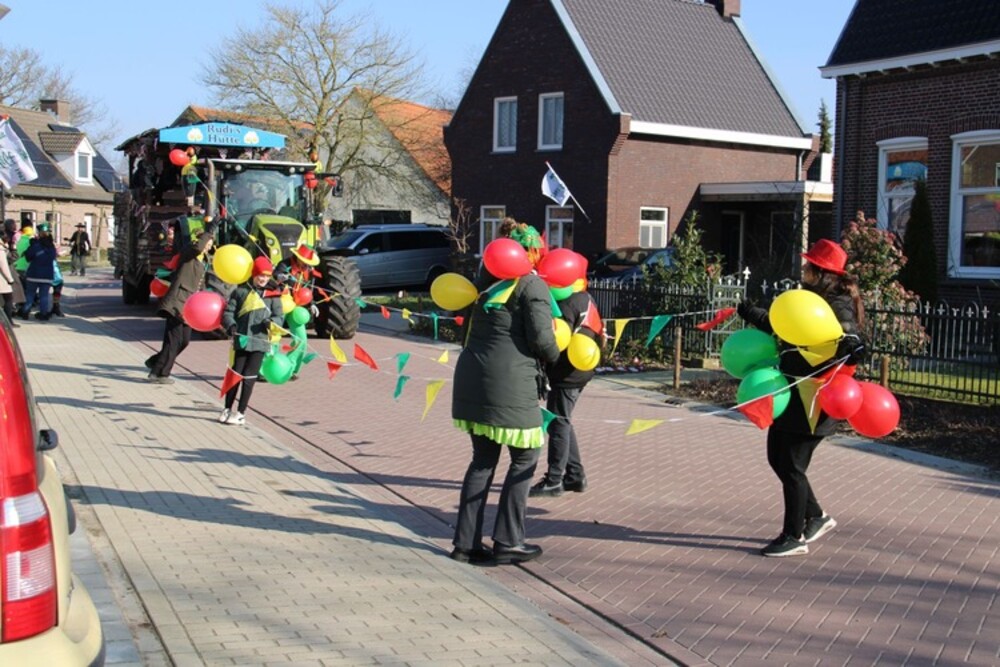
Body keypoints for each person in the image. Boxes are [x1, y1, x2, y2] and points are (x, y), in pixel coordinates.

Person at [736, 239, 867, 557]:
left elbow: (851, 336)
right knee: (777, 458)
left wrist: (853, 347)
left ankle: (793, 536)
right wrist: (752, 313)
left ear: (823, 272)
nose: (804, 269)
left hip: (815, 399)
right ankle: (817, 516)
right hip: (791, 393)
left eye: (810, 265)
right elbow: (786, 327)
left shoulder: (838, 303)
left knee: (793, 465)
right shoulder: (810, 298)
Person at [451, 223, 560, 566]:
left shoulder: (483, 283)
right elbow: (542, 340)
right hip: (510, 385)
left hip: (472, 379)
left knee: (482, 460)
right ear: (531, 252)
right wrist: (557, 354)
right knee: (526, 457)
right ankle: (509, 541)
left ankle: (465, 544)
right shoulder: (532, 285)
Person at [529, 288, 601, 497]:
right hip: (580, 368)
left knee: (558, 423)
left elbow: (557, 339)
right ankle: (575, 476)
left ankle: (554, 480)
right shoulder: (585, 297)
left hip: (568, 374)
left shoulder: (568, 303)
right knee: (562, 421)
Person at [145, 217, 217, 384]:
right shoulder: (189, 252)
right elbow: (197, 247)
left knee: (184, 341)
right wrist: (209, 231)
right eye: (207, 242)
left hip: (190, 307)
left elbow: (200, 283)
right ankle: (160, 373)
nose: (208, 246)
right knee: (173, 341)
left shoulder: (204, 260)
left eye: (210, 243)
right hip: (177, 303)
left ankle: (156, 362)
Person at [219, 256, 284, 426]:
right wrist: (231, 325)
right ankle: (227, 409)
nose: (263, 279)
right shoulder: (241, 292)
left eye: (267, 276)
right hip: (242, 340)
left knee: (249, 378)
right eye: (260, 275)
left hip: (260, 342)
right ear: (254, 274)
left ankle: (241, 413)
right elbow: (228, 312)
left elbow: (280, 317)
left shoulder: (274, 296)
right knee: (235, 374)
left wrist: (272, 323)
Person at [20, 222, 58, 321]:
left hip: (33, 274)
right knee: (44, 296)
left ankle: (25, 312)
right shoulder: (52, 247)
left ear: (39, 233)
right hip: (47, 275)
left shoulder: (35, 245)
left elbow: (28, 257)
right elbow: (53, 258)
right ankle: (43, 314)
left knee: (30, 295)